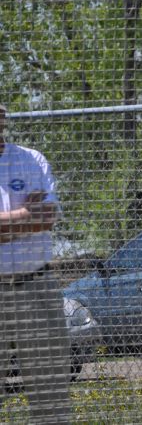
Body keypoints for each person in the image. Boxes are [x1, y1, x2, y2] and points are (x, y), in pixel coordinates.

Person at [0, 103, 71, 424]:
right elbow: (36, 218)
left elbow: (49, 217)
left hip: (37, 286)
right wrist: (26, 215)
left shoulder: (31, 159)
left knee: (51, 398)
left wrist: (14, 222)